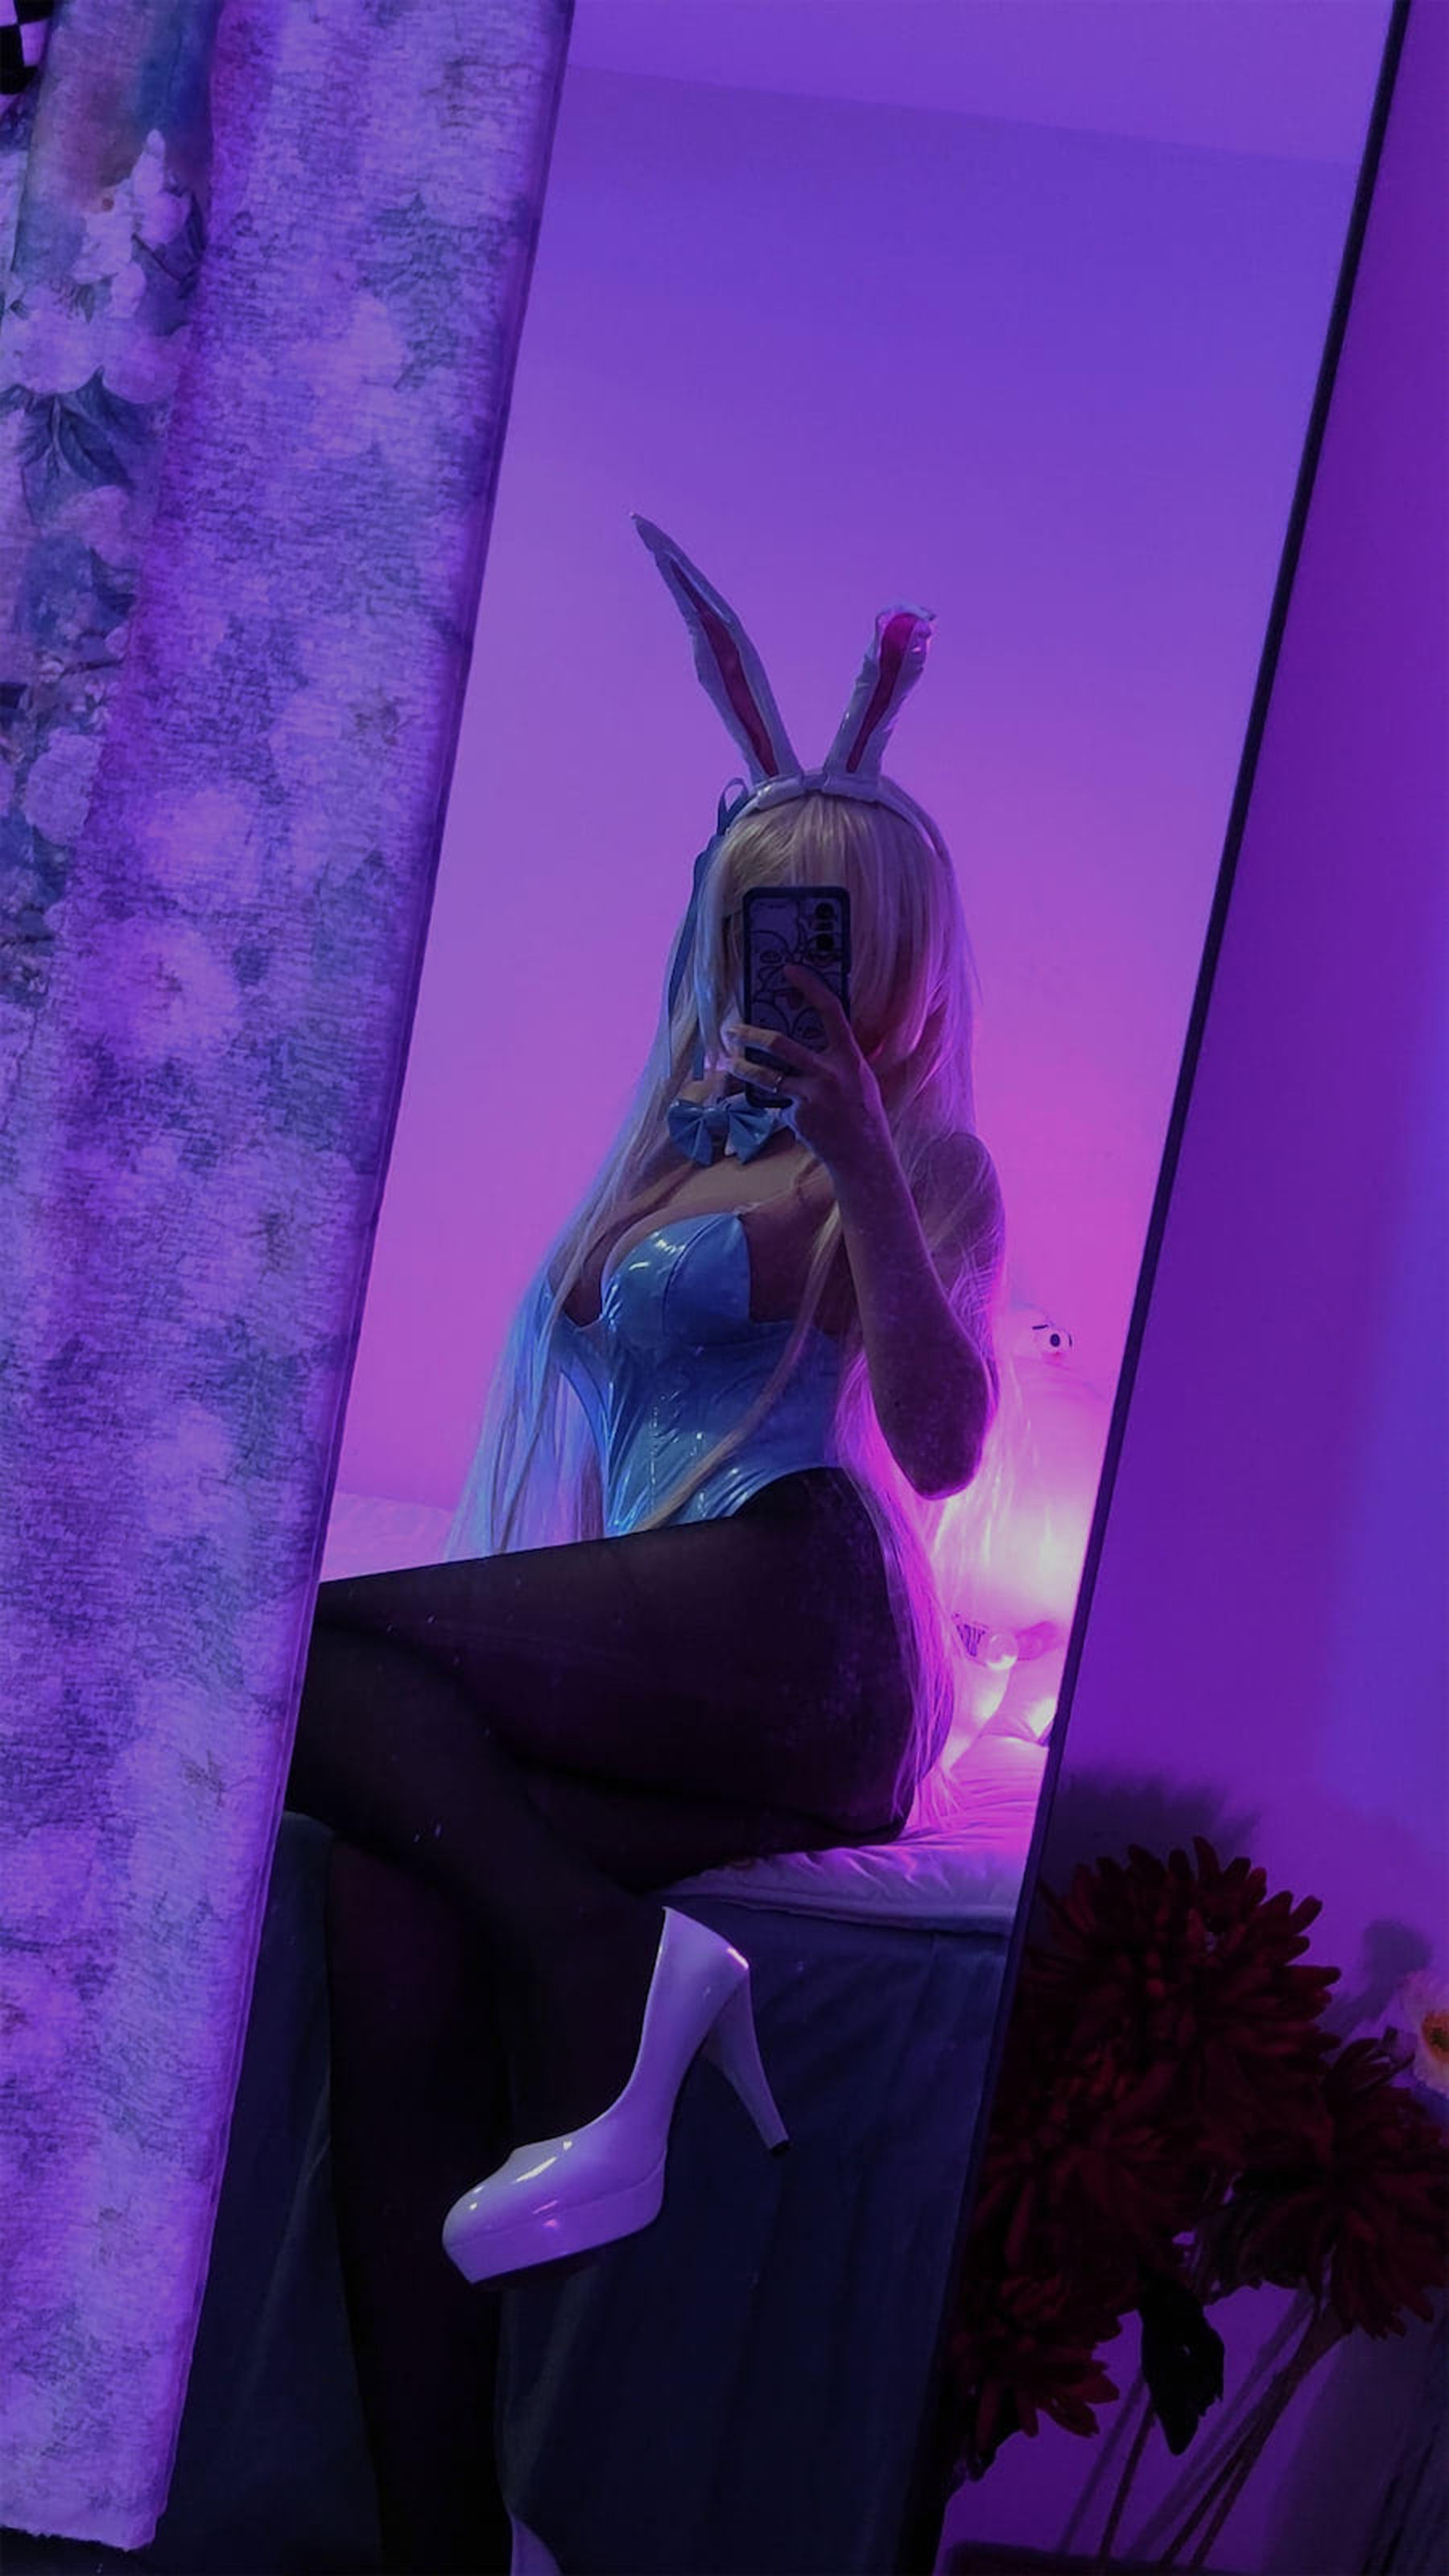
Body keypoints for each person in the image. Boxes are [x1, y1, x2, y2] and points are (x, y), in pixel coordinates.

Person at [283, 518, 1005, 2571]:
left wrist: (862, 1163)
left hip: (808, 1607)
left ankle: (604, 1962)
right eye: (756, 922)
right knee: (388, 1893)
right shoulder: (663, 1156)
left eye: (825, 929)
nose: (787, 959)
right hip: (694, 1636)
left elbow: (942, 1444)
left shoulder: (923, 1157)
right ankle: (449, 2543)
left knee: (299, 1653)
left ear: (892, 950)